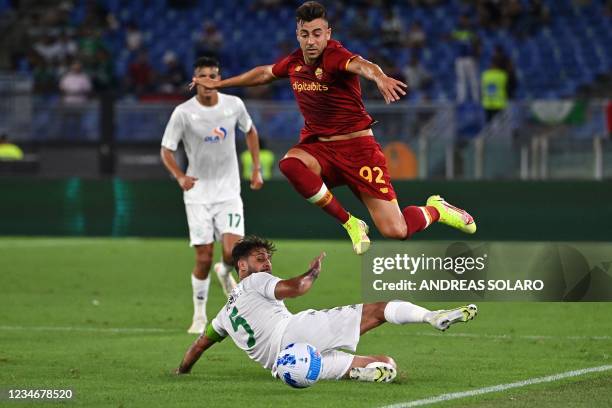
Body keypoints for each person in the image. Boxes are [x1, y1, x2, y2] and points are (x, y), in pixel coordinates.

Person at [190, 1, 476, 256]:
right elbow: (265, 73)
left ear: (328, 33)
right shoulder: (295, 61)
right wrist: (220, 84)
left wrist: (380, 77)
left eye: (317, 33)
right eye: (305, 34)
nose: (311, 40)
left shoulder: (335, 56)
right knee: (290, 164)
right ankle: (351, 222)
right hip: (321, 148)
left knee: (395, 230)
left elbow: (364, 65)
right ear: (297, 35)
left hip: (359, 151)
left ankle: (437, 209)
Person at [175, 236, 478, 382]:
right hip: (294, 333)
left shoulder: (224, 316)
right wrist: (311, 274)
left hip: (290, 367)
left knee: (386, 363)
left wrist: (181, 372)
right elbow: (295, 289)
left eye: (267, 258)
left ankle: (362, 374)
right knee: (378, 308)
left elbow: (199, 346)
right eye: (259, 258)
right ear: (241, 266)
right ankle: (431, 317)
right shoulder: (255, 282)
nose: (266, 263)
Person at [161, 56, 264, 334]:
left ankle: (225, 270)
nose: (208, 80)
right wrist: (180, 176)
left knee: (232, 253)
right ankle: (199, 315)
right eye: (203, 76)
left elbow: (251, 131)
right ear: (194, 81)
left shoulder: (234, 105)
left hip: (229, 191)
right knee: (204, 257)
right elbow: (166, 149)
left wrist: (256, 169)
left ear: (219, 79)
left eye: (213, 75)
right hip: (198, 194)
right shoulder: (183, 112)